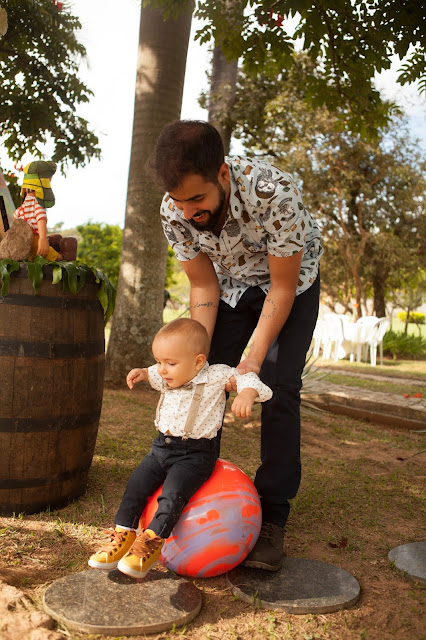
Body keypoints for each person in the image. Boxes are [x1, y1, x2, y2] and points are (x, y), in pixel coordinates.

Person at [152, 120, 323, 571]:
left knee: (279, 387)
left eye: (197, 199)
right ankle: (188, 483)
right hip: (229, 286)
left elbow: (282, 289)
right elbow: (203, 287)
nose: (188, 212)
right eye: (178, 201)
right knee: (203, 382)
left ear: (223, 175)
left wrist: (250, 364)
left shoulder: (274, 193)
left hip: (291, 285)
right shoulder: (173, 211)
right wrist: (197, 359)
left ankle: (274, 516)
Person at [88, 317, 272, 579]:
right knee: (135, 488)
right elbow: (155, 372)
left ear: (198, 361)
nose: (162, 370)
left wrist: (246, 394)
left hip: (195, 454)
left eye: (170, 363)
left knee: (172, 495)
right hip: (160, 447)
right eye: (159, 361)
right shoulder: (168, 375)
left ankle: (150, 545)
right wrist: (143, 372)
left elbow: (247, 377)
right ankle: (122, 537)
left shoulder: (216, 375)